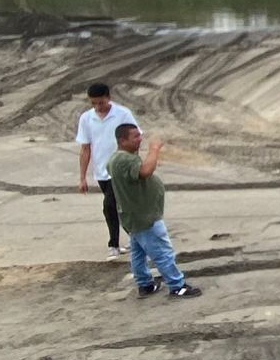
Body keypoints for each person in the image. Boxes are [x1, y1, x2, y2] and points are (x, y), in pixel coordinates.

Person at [108, 123, 201, 299]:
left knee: (138, 253)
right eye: (135, 137)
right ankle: (177, 285)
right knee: (162, 251)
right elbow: (146, 171)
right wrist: (154, 149)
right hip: (144, 216)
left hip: (133, 216)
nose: (140, 139)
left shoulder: (116, 159)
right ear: (122, 140)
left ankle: (145, 284)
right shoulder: (124, 160)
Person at [74, 82, 138, 260]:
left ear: (108, 98)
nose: (97, 107)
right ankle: (136, 237)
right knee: (119, 207)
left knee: (109, 205)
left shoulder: (123, 114)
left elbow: (136, 139)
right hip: (101, 170)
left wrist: (134, 165)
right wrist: (82, 177)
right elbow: (85, 149)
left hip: (120, 168)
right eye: (93, 103)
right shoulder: (86, 119)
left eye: (100, 102)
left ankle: (113, 245)